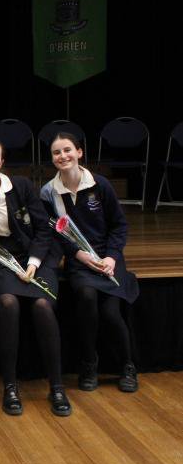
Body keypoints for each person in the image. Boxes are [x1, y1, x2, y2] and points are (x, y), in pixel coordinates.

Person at [0, 138, 70, 416]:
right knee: (8, 302)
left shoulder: (22, 186)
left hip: (33, 256)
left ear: (1, 162)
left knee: (41, 305)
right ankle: (10, 386)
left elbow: (43, 229)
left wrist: (35, 263)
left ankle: (57, 387)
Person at [41, 132, 140, 393]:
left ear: (79, 152)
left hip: (108, 257)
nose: (62, 156)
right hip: (79, 260)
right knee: (85, 296)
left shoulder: (101, 185)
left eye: (67, 150)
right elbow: (55, 232)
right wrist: (77, 254)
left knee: (110, 312)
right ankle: (89, 364)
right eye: (56, 152)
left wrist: (111, 257)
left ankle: (127, 365)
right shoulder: (49, 192)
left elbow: (119, 226)